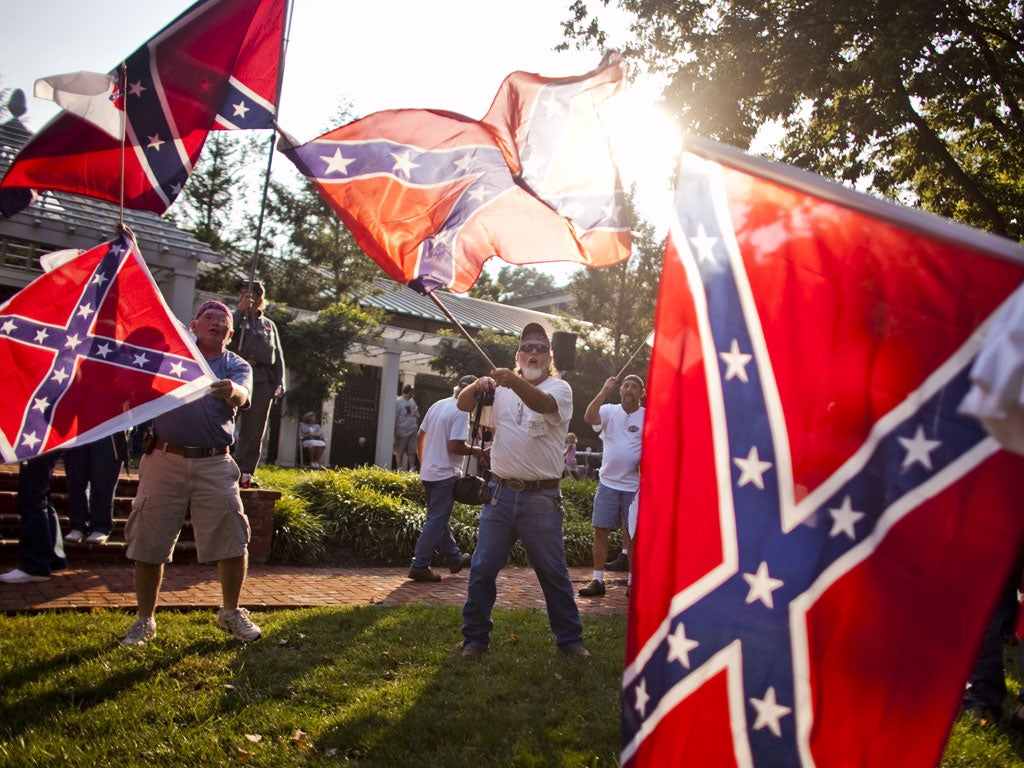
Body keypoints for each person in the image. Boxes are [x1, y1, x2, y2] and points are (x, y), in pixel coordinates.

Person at [120, 300, 261, 647]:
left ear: (230, 333)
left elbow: (244, 395)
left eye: (223, 321)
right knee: (149, 543)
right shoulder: (172, 357)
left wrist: (232, 391)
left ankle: (230, 613)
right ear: (194, 325)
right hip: (163, 459)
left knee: (232, 539)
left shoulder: (236, 365)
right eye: (209, 318)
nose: (215, 324)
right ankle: (145, 620)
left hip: (215, 463)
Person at [456, 322, 590, 658]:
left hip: (541, 499)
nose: (533, 353)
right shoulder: (499, 392)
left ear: (550, 356)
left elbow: (543, 405)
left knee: (553, 572)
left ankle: (571, 641)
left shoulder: (560, 389)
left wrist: (511, 380)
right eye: (527, 347)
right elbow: (462, 405)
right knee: (483, 568)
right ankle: (474, 639)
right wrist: (477, 384)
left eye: (540, 348)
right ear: (518, 354)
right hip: (499, 493)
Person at [408, 374, 481, 582]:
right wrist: (475, 450)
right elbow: (455, 446)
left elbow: (420, 436)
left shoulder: (438, 405)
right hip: (444, 474)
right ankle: (419, 564)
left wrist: (424, 463)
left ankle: (454, 558)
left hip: (429, 471)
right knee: (436, 519)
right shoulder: (461, 412)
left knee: (438, 518)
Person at [578, 374, 645, 598]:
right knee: (600, 532)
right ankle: (597, 580)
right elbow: (588, 417)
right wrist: (604, 389)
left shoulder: (647, 416)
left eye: (634, 387)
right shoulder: (608, 410)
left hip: (634, 486)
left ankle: (632, 583)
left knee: (634, 535)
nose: (629, 389)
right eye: (626, 385)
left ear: (641, 393)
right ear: (620, 390)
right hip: (608, 483)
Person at [228, 279, 285, 489]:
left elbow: (277, 356)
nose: (245, 298)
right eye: (241, 294)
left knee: (254, 429)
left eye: (249, 294)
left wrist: (280, 382)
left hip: (261, 379)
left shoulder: (268, 325)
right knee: (225, 420)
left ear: (260, 298)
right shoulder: (233, 318)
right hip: (235, 375)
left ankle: (245, 472)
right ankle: (220, 467)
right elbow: (225, 337)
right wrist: (238, 313)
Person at [0, 453, 67, 583]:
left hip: (38, 445)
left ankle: (35, 565)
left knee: (32, 498)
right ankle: (53, 559)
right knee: (41, 498)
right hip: (44, 445)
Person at [63, 432, 128, 544]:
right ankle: (78, 525)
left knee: (103, 479)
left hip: (109, 428)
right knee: (76, 478)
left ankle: (101, 526)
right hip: (78, 428)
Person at [394, 384, 420, 471]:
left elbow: (416, 415)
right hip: (402, 431)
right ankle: (399, 468)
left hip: (412, 430)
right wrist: (396, 430)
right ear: (408, 392)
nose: (413, 394)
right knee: (399, 451)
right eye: (412, 392)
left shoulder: (412, 401)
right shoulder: (398, 402)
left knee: (412, 451)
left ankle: (412, 468)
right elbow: (395, 416)